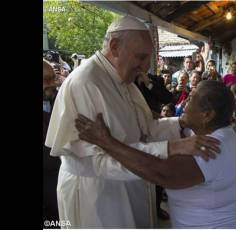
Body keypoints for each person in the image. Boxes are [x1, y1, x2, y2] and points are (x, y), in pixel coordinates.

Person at [45, 16, 220, 228]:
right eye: (140, 57)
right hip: (99, 197)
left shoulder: (123, 79)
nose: (145, 67)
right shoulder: (85, 83)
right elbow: (94, 162)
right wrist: (171, 148)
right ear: (115, 46)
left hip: (127, 187)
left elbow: (144, 130)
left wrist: (180, 123)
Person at [75, 80, 236, 228]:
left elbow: (160, 172)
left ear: (206, 115)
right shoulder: (211, 133)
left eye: (191, 99)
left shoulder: (214, 146)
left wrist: (106, 142)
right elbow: (171, 130)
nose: (184, 103)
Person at [43, 60, 60, 226]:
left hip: (56, 175)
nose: (51, 83)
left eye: (52, 78)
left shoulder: (60, 101)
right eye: (45, 79)